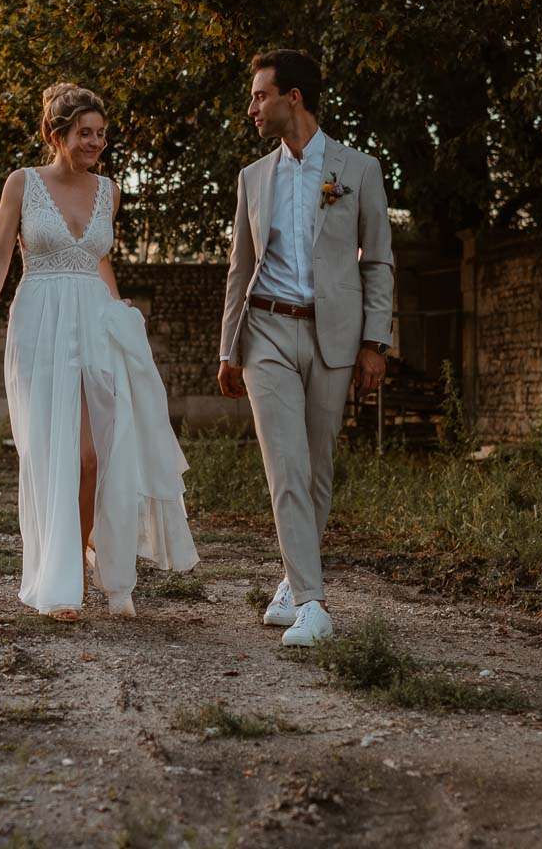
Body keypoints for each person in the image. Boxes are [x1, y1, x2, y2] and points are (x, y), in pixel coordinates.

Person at [0, 83, 199, 620]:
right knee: (52, 453)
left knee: (98, 453)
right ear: (57, 135)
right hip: (39, 322)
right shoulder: (22, 184)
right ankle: (63, 579)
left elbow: (98, 261)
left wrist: (122, 318)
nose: (96, 142)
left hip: (95, 322)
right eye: (84, 133)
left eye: (101, 134)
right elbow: (0, 253)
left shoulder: (109, 190)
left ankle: (92, 551)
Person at [217, 50, 395, 646]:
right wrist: (229, 348)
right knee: (286, 464)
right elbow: (240, 267)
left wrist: (376, 343)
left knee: (318, 467)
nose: (252, 107)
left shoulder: (360, 170)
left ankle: (294, 582)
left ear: (293, 97)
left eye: (260, 95)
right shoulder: (252, 178)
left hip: (334, 337)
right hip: (266, 329)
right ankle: (315, 604)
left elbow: (380, 263)